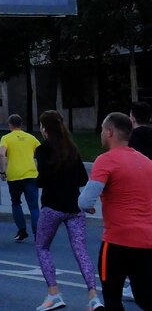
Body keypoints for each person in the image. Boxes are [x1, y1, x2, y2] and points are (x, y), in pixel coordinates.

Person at [79, 111, 152, 309]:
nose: (101, 133)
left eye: (103, 129)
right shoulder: (147, 163)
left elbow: (85, 201)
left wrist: (91, 207)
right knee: (145, 297)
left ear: (110, 132)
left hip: (117, 241)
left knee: (112, 299)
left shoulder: (106, 160)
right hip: (147, 241)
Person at [30, 110, 101, 311]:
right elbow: (82, 179)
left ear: (44, 128)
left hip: (52, 207)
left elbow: (42, 180)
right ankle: (94, 297)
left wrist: (38, 179)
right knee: (80, 250)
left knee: (42, 247)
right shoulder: (72, 148)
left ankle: (54, 293)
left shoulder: (43, 150)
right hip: (74, 207)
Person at [0, 113, 41, 242]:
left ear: (10, 125)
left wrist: (2, 171)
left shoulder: (6, 138)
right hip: (31, 174)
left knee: (16, 202)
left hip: (14, 175)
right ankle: (38, 234)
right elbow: (41, 154)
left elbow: (2, 155)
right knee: (34, 206)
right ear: (21, 124)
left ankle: (22, 230)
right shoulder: (31, 138)